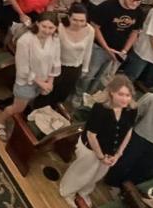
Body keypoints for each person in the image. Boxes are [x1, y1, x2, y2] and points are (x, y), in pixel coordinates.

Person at [58, 75, 136, 206]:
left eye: (128, 95)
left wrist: (118, 154)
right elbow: (91, 135)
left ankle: (83, 192)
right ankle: (67, 191)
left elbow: (128, 131)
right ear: (111, 92)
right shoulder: (100, 108)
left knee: (96, 175)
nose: (125, 99)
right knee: (82, 172)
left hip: (111, 152)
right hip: (91, 148)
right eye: (121, 94)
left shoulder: (131, 109)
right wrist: (100, 157)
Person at [0, 12, 61, 139]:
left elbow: (56, 61)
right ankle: (1, 122)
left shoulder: (55, 39)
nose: (47, 31)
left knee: (28, 105)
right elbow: (23, 68)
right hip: (26, 82)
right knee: (17, 108)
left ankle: (18, 124)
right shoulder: (25, 41)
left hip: (44, 81)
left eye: (51, 28)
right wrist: (41, 83)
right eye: (44, 26)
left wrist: (50, 82)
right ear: (37, 24)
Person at [81, 0, 145, 96]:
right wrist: (106, 48)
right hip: (99, 47)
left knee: (104, 78)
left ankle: (92, 97)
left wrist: (124, 51)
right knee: (89, 74)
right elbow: (95, 27)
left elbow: (135, 32)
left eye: (138, 0)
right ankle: (78, 96)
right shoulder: (107, 6)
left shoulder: (139, 12)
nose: (135, 3)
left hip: (119, 50)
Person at [51, 4, 94, 105]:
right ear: (69, 17)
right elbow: (53, 49)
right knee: (50, 92)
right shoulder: (60, 28)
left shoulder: (90, 30)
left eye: (82, 21)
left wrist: (85, 69)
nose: (78, 24)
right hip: (57, 65)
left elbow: (88, 50)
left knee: (63, 94)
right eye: (75, 20)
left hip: (75, 68)